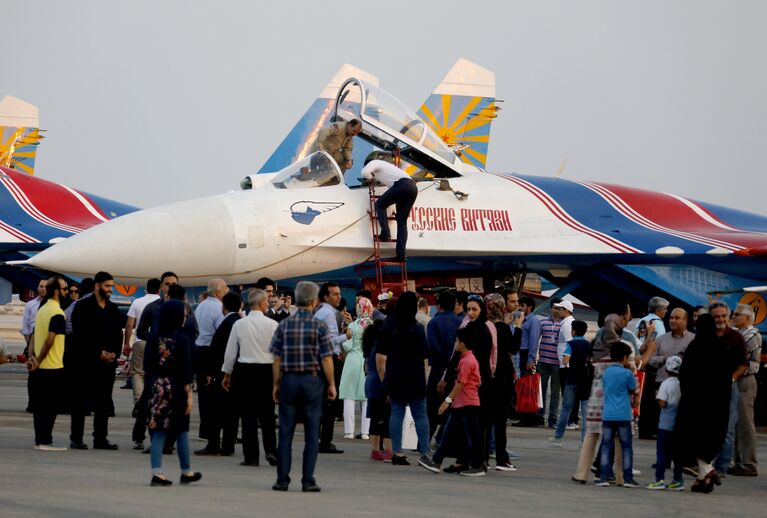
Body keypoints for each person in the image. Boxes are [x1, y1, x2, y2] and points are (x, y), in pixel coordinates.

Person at [270, 281, 336, 492]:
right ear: (315, 301)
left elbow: (276, 358)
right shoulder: (320, 326)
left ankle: (282, 480)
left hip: (289, 379)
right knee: (311, 432)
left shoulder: (284, 325)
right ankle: (308, 480)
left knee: (286, 432)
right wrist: (332, 384)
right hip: (312, 380)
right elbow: (326, 358)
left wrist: (276, 383)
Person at [675, 313, 740, 493]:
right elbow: (728, 375)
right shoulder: (722, 347)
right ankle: (701, 479)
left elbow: (685, 373)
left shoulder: (695, 347)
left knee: (692, 438)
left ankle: (707, 471)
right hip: (717, 405)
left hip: (695, 404)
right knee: (709, 440)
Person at [144, 300, 201, 487]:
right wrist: (189, 394)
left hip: (158, 386)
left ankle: (156, 472)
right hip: (176, 388)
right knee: (182, 430)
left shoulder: (154, 337)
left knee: (159, 431)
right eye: (183, 315)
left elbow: (147, 365)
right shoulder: (183, 339)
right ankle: (186, 471)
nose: (185, 318)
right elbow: (186, 370)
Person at [222, 288, 278, 467]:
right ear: (262, 303)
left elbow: (230, 352)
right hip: (266, 371)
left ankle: (251, 457)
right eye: (267, 302)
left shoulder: (239, 324)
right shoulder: (272, 325)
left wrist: (227, 373)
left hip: (244, 371)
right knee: (267, 414)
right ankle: (271, 450)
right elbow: (278, 354)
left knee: (248, 417)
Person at [419, 326, 484, 476]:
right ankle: (437, 460)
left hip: (466, 403)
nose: (455, 343)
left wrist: (447, 401)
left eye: (457, 340)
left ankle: (476, 465)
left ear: (462, 343)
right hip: (464, 402)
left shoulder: (466, 361)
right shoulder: (471, 359)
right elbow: (478, 382)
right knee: (450, 433)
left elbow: (460, 383)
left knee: (469, 435)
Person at [375, 291, 431, 466]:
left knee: (397, 413)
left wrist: (385, 381)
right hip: (415, 375)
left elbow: (380, 357)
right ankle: (425, 453)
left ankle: (397, 452)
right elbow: (425, 353)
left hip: (395, 374)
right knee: (420, 414)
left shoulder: (388, 326)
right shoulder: (418, 328)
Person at [71, 271, 125, 450]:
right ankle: (76, 438)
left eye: (111, 286)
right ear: (97, 286)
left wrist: (114, 354)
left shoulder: (113, 309)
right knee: (80, 401)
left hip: (107, 365)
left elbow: (118, 335)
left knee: (103, 402)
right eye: (107, 286)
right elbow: (80, 335)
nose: (110, 289)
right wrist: (97, 353)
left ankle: (100, 438)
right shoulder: (82, 307)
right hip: (85, 362)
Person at [195, 291, 242, 457]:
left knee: (214, 409)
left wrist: (211, 372)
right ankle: (228, 445)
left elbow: (218, 350)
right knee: (232, 412)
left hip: (221, 372)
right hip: (237, 372)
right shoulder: (239, 322)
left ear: (224, 306)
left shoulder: (226, 324)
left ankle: (213, 444)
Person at [27, 276, 68, 451]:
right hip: (52, 367)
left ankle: (39, 439)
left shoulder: (42, 310)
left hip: (38, 368)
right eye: (65, 289)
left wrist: (32, 359)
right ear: (57, 292)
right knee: (51, 407)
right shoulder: (58, 313)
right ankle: (46, 440)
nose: (67, 291)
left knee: (38, 406)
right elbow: (50, 341)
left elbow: (34, 336)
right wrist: (39, 360)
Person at [711, 302, 749, 477]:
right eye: (716, 316)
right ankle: (705, 463)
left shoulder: (736, 338)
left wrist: (731, 379)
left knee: (728, 427)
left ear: (728, 316)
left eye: (722, 316)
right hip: (708, 386)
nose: (720, 319)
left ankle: (721, 467)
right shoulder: (705, 337)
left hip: (729, 387)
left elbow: (743, 365)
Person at [123, 278, 162, 450]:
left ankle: (139, 402)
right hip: (159, 344)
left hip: (140, 342)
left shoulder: (138, 302)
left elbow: (130, 324)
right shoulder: (161, 303)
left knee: (138, 373)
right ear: (159, 290)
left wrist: (126, 343)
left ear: (146, 288)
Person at [313, 282, 351, 454]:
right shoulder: (328, 314)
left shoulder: (320, 312)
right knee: (330, 400)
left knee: (322, 401)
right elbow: (330, 340)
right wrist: (346, 335)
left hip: (318, 359)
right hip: (328, 359)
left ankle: (318, 438)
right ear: (326, 296)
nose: (339, 297)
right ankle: (325, 441)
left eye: (339, 293)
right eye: (334, 294)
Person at [595, 341, 639, 488]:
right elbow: (633, 390)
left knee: (607, 446)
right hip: (623, 415)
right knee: (626, 447)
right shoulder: (627, 374)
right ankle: (627, 478)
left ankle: (604, 477)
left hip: (608, 414)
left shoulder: (607, 373)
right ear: (625, 358)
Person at [361, 153, 419, 262]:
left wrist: (369, 178)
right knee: (402, 222)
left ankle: (385, 234)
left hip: (402, 185)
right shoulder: (388, 168)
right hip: (412, 187)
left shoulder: (374, 163)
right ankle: (401, 256)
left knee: (380, 205)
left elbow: (364, 172)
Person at [484, 292, 519, 471]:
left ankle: (482, 457)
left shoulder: (483, 326)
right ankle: (501, 458)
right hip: (503, 376)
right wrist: (518, 328)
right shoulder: (502, 328)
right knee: (500, 420)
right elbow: (513, 348)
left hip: (487, 377)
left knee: (485, 419)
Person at [193, 278, 229, 442]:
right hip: (212, 352)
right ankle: (214, 430)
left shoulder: (200, 306)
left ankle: (205, 428)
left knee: (203, 393)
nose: (228, 291)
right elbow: (222, 334)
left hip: (199, 351)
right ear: (219, 292)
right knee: (215, 392)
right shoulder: (218, 308)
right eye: (226, 288)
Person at [730, 303, 761, 477]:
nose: (734, 317)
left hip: (745, 381)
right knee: (735, 422)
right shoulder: (738, 333)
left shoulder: (751, 334)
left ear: (747, 317)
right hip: (736, 379)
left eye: (737, 314)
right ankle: (738, 460)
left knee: (745, 423)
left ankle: (749, 462)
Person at [426, 292, 463, 440]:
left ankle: (424, 441)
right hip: (456, 370)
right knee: (452, 406)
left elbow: (433, 346)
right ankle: (445, 439)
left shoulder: (434, 323)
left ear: (438, 305)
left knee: (431, 408)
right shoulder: (461, 322)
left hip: (437, 369)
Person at [646, 355, 684, 491]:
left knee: (662, 453)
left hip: (665, 424)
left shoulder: (666, 384)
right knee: (677, 454)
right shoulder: (683, 383)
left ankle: (659, 479)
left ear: (667, 369)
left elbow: (662, 402)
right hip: (679, 425)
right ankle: (678, 480)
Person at [550, 320, 590, 445]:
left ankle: (558, 438)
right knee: (585, 412)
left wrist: (566, 359)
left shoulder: (570, 344)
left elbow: (565, 361)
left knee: (566, 409)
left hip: (572, 379)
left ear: (573, 331)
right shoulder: (589, 345)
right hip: (586, 381)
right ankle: (585, 442)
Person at [339, 297, 372, 440]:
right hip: (368, 362)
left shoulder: (352, 325)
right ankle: (365, 432)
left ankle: (349, 432)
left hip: (353, 360)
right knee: (366, 398)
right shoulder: (373, 325)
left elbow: (347, 345)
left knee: (349, 396)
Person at [362, 318, 391, 461]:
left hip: (370, 382)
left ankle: (375, 450)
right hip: (380, 383)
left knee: (375, 417)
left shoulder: (370, 346)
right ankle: (387, 450)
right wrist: (387, 387)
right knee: (386, 417)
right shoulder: (381, 347)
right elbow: (382, 369)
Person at [533, 300, 563, 428]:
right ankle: (539, 417)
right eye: (554, 308)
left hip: (557, 363)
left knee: (555, 392)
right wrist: (534, 357)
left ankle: (552, 419)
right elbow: (535, 340)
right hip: (543, 362)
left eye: (559, 308)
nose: (556, 310)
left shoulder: (565, 324)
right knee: (541, 391)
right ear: (551, 308)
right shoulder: (542, 322)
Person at [20, 279, 47, 358]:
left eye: (46, 287)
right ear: (37, 288)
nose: (43, 289)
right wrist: (30, 344)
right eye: (41, 286)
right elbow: (25, 326)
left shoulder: (55, 304)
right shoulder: (30, 304)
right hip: (33, 339)